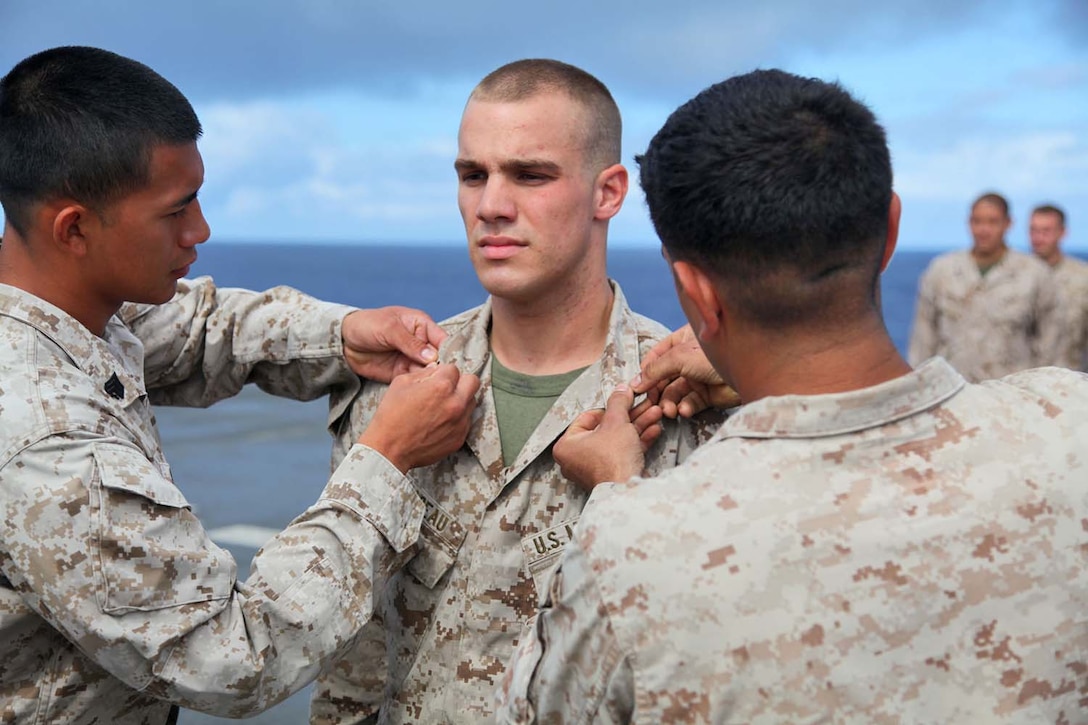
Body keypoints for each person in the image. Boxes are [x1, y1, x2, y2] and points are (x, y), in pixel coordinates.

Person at [498, 69, 1088, 723]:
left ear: (696, 292)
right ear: (890, 231)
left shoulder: (632, 549)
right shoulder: (1070, 423)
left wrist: (615, 491)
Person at [0, 46, 480, 723]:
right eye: (175, 211)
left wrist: (340, 333)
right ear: (74, 228)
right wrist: (388, 460)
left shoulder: (54, 302)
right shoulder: (47, 444)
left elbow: (191, 329)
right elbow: (232, 656)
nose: (200, 230)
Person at [310, 59, 726, 723]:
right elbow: (354, 647)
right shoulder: (399, 385)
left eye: (530, 175)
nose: (491, 205)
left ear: (608, 193)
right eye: (472, 175)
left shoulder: (685, 398)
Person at [908, 191, 1062, 381]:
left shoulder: (1034, 274)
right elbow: (923, 340)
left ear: (1008, 224)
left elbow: (1049, 344)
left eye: (992, 222)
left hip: (1009, 397)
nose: (983, 230)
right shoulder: (942, 271)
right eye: (977, 221)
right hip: (953, 393)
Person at [1030, 203, 1088, 370]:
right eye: (1034, 230)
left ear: (1062, 232)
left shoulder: (1083, 279)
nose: (1038, 238)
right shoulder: (1013, 277)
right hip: (1020, 384)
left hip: (1069, 384)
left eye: (1046, 231)